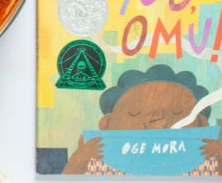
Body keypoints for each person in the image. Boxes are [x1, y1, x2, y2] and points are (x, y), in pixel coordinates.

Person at [63, 64, 222, 176]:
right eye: (135, 113)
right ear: (106, 124)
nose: (159, 124)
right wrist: (79, 161)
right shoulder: (96, 158)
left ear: (202, 123)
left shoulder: (208, 159)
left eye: (177, 113)